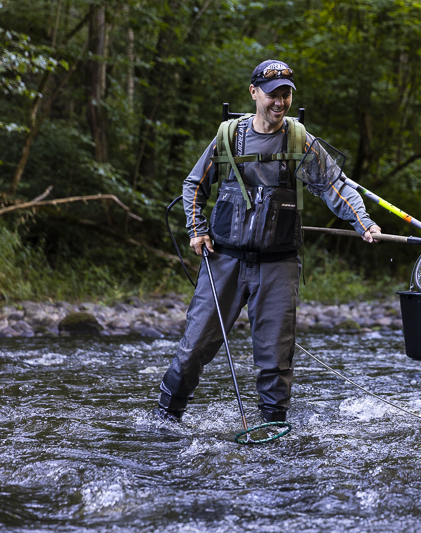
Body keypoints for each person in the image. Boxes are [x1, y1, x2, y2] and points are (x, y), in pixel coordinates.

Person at [155, 60, 381, 423]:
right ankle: (166, 419)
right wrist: (196, 229)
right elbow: (194, 185)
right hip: (224, 260)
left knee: (275, 360)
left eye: (286, 93)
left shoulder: (300, 140)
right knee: (193, 348)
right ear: (254, 92)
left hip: (279, 265)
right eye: (273, 93)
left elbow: (336, 186)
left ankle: (273, 429)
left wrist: (362, 221)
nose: (280, 101)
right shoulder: (229, 136)